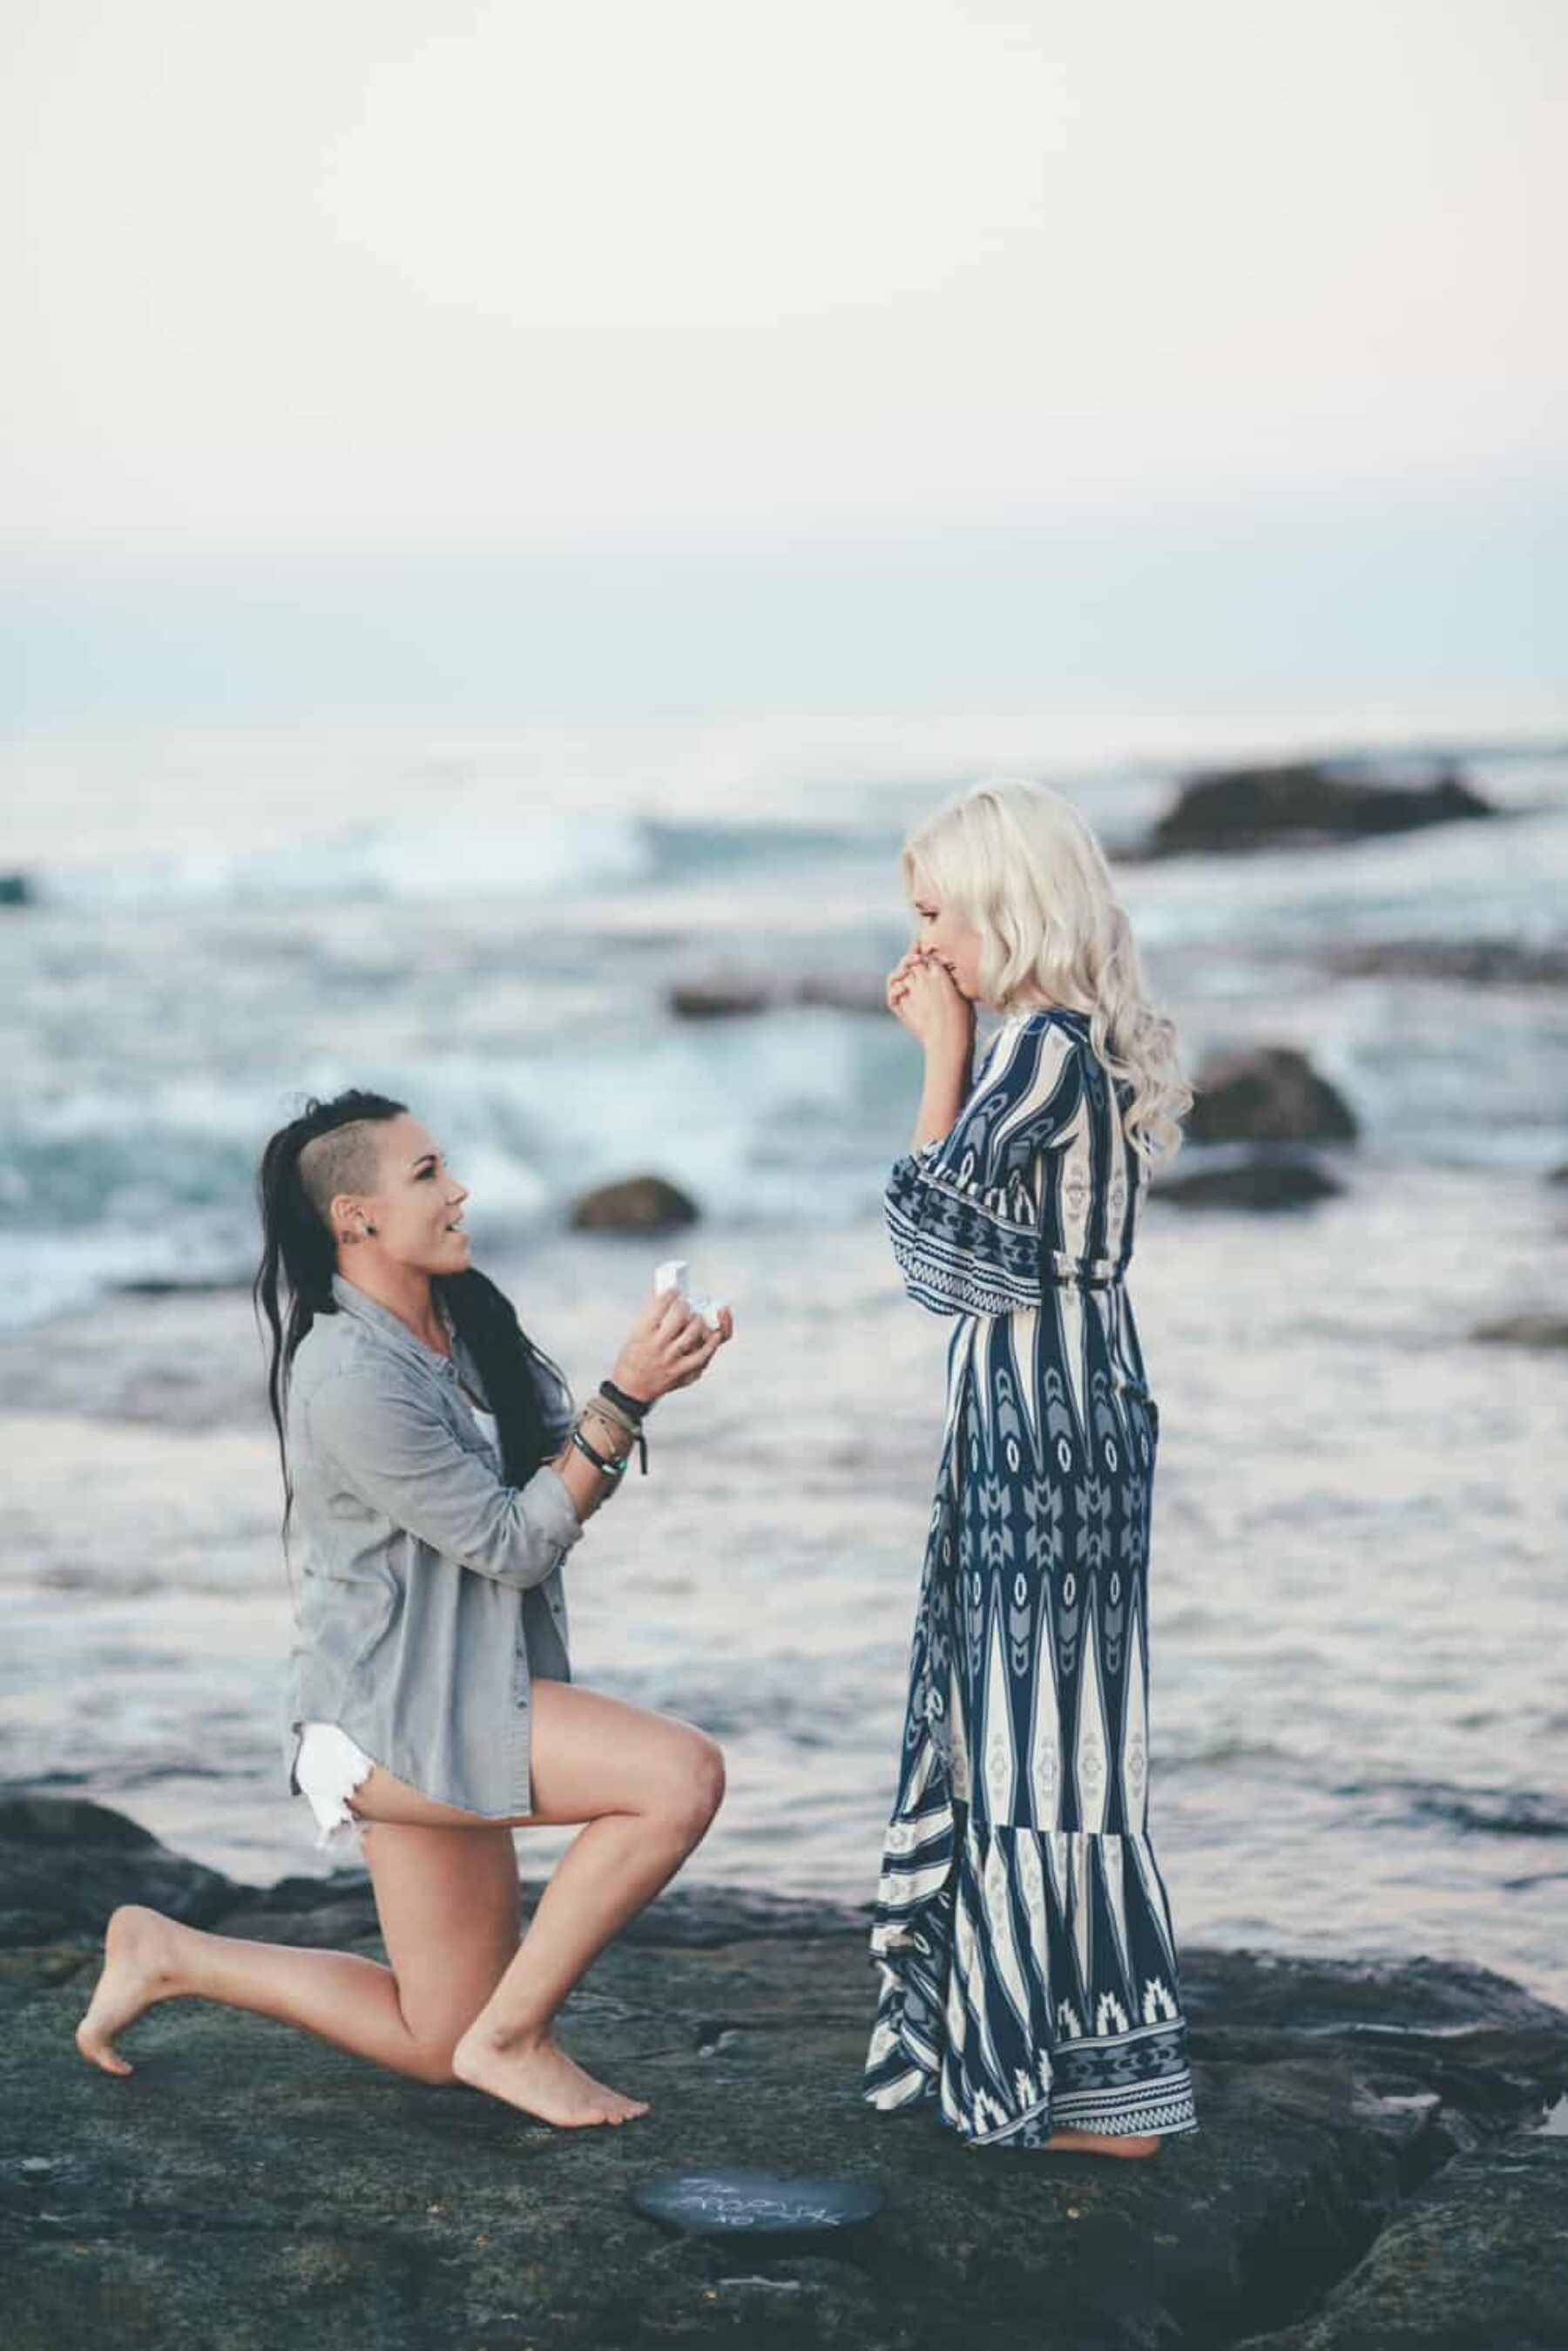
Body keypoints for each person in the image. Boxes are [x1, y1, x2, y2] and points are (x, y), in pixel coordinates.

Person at [76, 1088, 733, 2130]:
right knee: (679, 1776)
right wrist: (627, 1396)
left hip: (455, 1688)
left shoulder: (461, 1322)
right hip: (393, 1714)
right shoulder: (347, 1374)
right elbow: (517, 1542)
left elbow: (557, 1470)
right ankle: (518, 2039)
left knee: (439, 2041)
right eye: (426, 1173)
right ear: (357, 1216)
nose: (458, 1187)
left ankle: (171, 1952)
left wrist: (653, 1374)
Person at [862, 779, 1201, 2154]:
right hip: (1072, 1413)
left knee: (1032, 1743)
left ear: (1007, 904)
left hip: (1040, 1428)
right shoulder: (1075, 1041)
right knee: (1054, 1736)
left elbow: (940, 1261)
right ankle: (1092, 2075)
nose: (925, 942)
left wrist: (936, 1058)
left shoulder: (1034, 1050)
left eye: (938, 911)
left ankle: (1087, 2096)